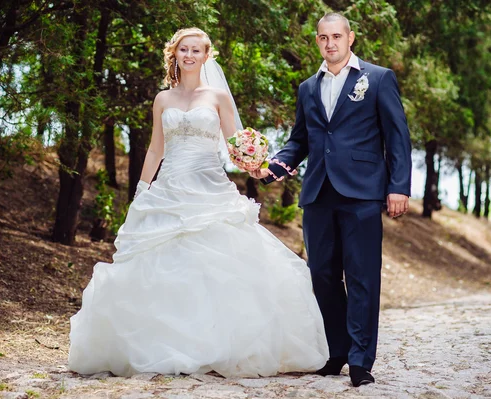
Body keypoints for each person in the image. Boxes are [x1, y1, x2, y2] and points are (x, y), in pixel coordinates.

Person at [68, 27, 329, 378]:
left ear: (207, 56)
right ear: (174, 54)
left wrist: (260, 165)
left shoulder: (218, 97)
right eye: (183, 50)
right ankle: (163, 346)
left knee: (219, 266)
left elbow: (237, 145)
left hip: (210, 188)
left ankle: (219, 346)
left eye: (196, 50)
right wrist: (142, 191)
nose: (189, 55)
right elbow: (156, 148)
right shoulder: (163, 99)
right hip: (169, 190)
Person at [250, 13, 412, 387]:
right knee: (321, 275)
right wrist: (274, 165)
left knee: (362, 277)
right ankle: (336, 350)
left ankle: (360, 360)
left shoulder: (378, 78)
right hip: (319, 192)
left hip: (363, 193)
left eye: (336, 36)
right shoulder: (308, 87)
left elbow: (397, 136)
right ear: (317, 41)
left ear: (350, 38)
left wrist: (398, 186)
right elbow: (300, 140)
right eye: (323, 38)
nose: (330, 43)